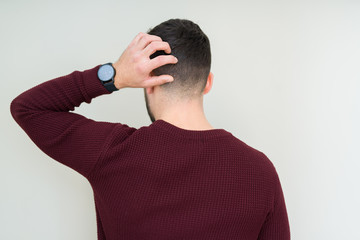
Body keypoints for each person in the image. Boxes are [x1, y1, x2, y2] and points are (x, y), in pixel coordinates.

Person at [10, 19, 290, 239]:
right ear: (208, 83)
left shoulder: (112, 152)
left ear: (148, 82)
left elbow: (28, 108)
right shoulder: (261, 172)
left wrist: (115, 75)